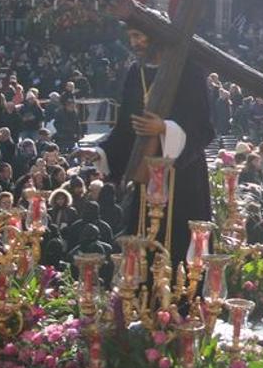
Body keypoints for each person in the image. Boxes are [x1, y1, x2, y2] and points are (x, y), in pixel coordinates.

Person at [91, 25, 215, 267]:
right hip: (146, 173)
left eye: (138, 35)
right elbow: (126, 126)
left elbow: (204, 126)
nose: (134, 43)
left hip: (183, 175)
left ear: (156, 35)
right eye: (131, 37)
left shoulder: (188, 70)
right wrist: (100, 151)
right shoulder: (135, 72)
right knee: (144, 242)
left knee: (181, 246)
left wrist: (165, 128)